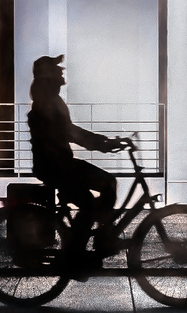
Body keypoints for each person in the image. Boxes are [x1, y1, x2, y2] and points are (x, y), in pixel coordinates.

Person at [26, 54, 125, 264]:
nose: (61, 71)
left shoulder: (48, 99)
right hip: (58, 166)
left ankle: (89, 243)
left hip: (58, 164)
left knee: (99, 191)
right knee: (100, 191)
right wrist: (103, 144)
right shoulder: (48, 102)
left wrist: (103, 142)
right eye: (56, 68)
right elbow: (70, 132)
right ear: (49, 76)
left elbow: (69, 131)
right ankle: (78, 252)